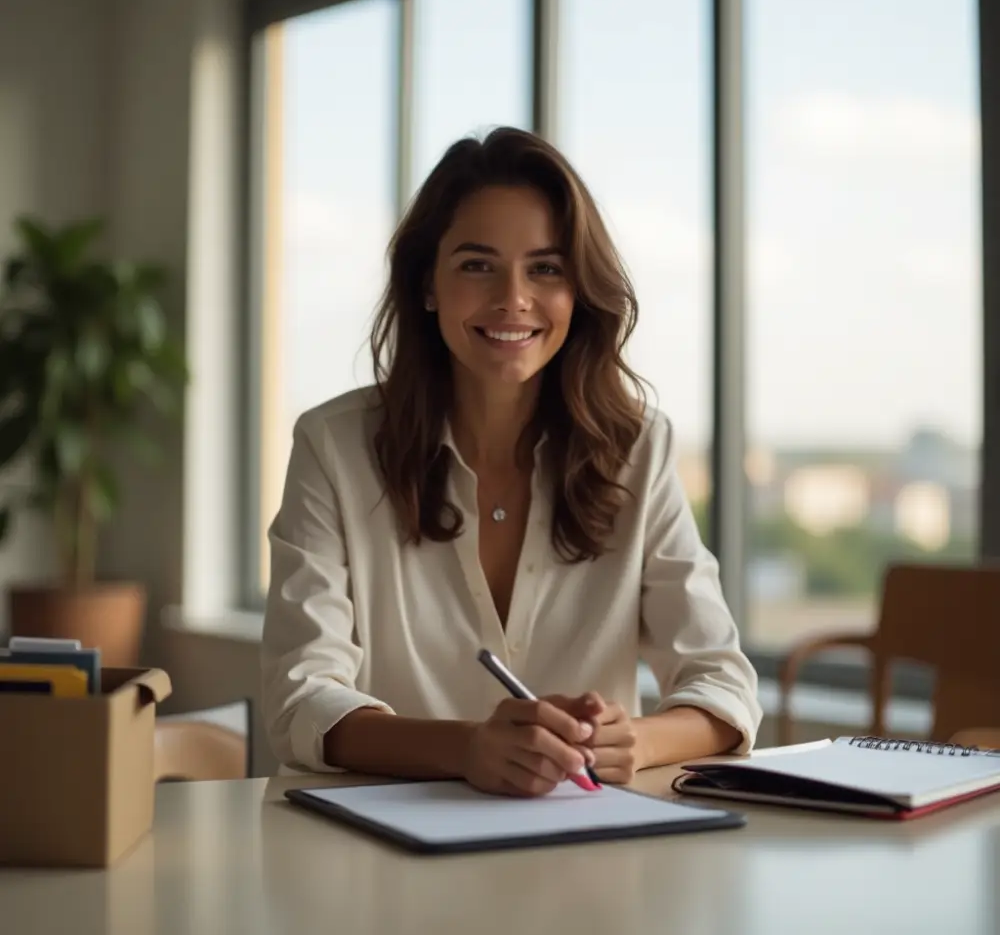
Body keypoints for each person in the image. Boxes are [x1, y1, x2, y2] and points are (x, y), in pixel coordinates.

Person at [261, 126, 761, 796]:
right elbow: (302, 699)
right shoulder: (334, 447)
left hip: (585, 856)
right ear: (428, 284)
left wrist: (634, 741)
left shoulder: (637, 449)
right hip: (384, 860)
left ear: (578, 291)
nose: (513, 298)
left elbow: (722, 682)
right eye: (477, 264)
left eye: (546, 268)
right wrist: (466, 748)